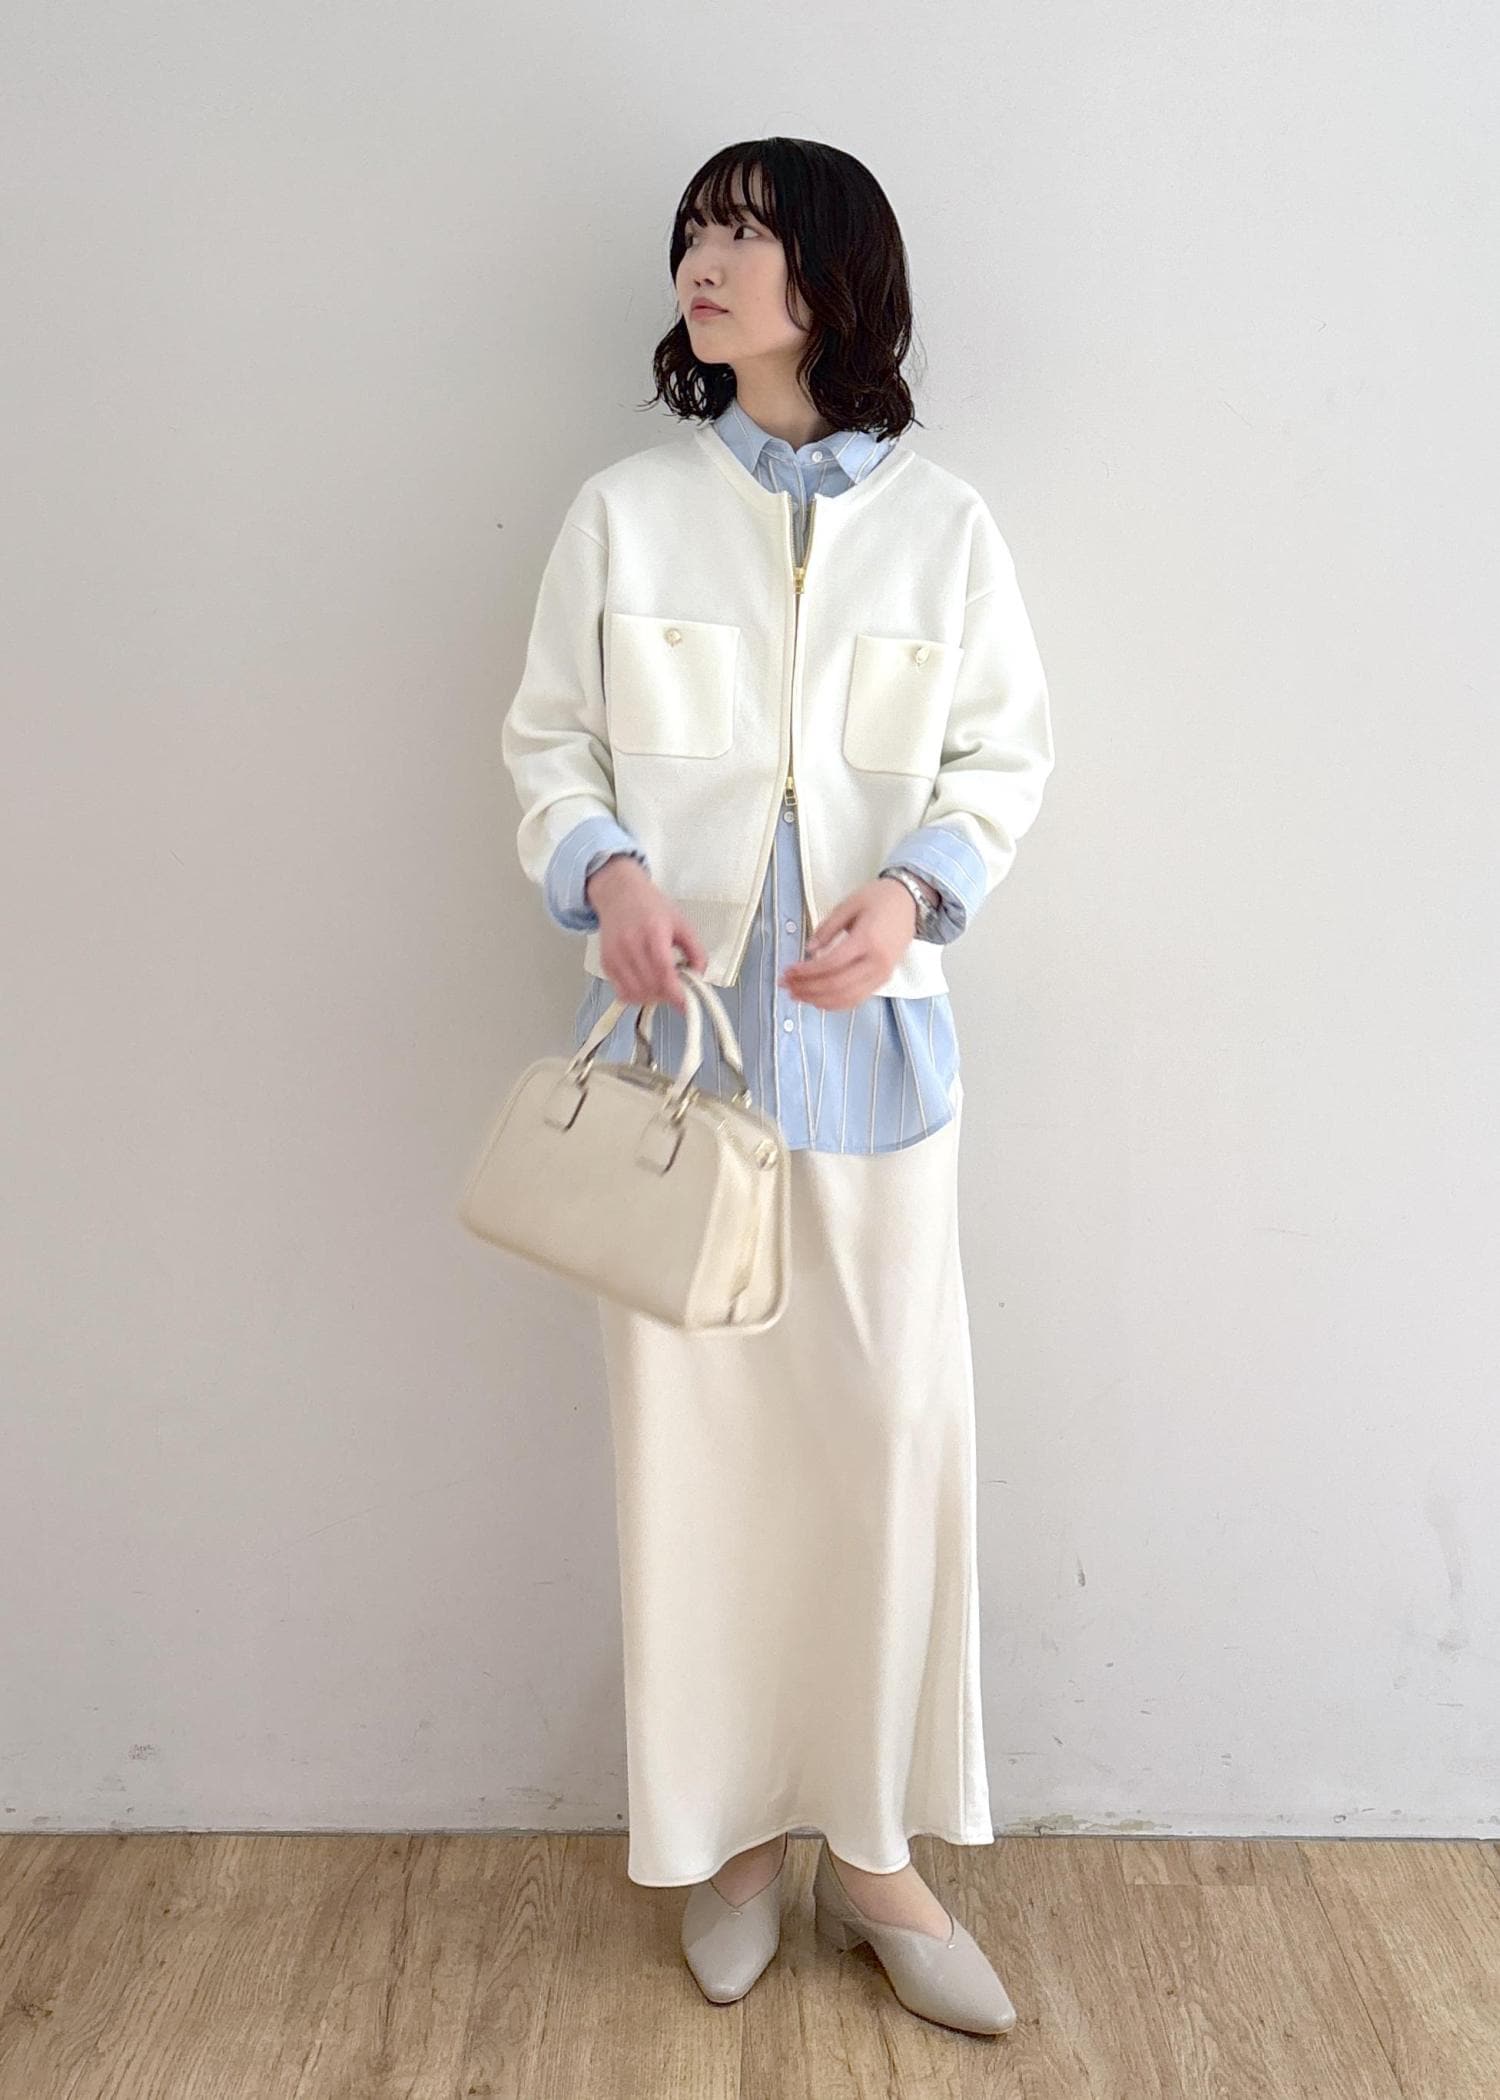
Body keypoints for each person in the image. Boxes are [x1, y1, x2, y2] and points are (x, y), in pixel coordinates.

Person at [501, 138, 1054, 2035]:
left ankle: (876, 1855)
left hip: (881, 1066)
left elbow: (1001, 762)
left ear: (836, 271)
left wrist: (910, 895)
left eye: (747, 229)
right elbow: (551, 747)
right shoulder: (627, 513)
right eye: (697, 229)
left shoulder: (946, 528)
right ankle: (732, 1841)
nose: (706, 257)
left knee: (888, 1447)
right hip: (682, 1089)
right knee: (698, 1467)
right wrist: (612, 877)